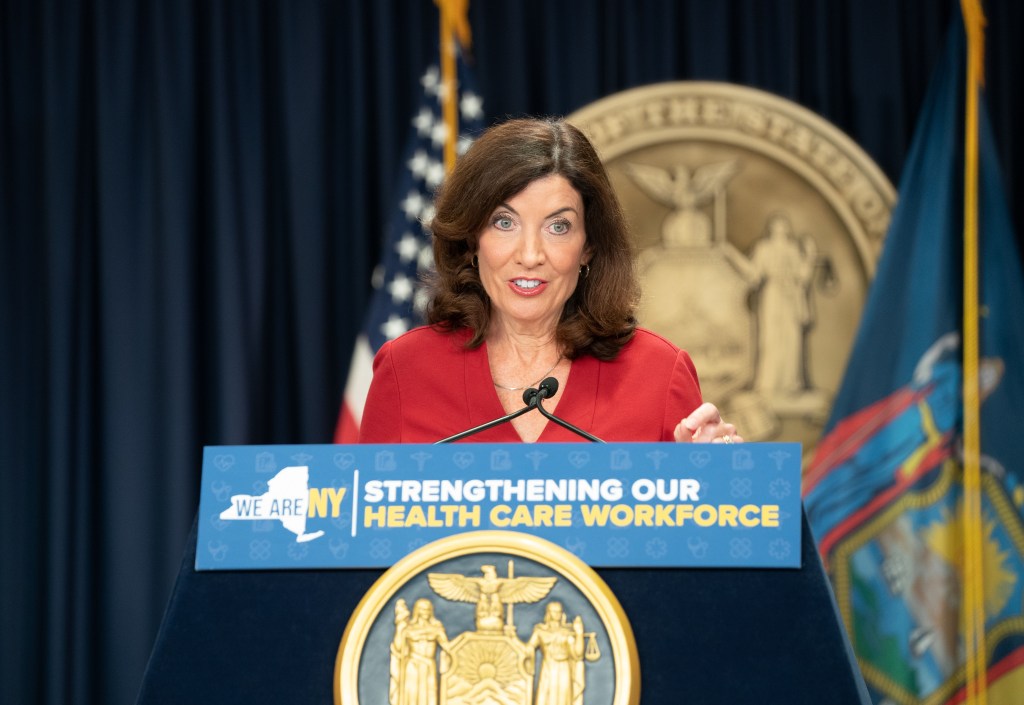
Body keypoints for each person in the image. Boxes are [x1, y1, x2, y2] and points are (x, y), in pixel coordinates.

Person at [359, 117, 742, 444]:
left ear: (588, 246)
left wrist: (718, 477)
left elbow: (704, 522)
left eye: (558, 227)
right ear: (473, 239)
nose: (530, 255)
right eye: (504, 222)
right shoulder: (405, 372)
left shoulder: (657, 374)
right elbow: (368, 523)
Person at [390, 598, 449, 705]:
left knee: (430, 695)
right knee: (412, 696)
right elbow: (398, 648)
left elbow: (448, 647)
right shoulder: (408, 628)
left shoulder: (437, 628)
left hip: (429, 666)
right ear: (417, 610)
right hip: (412, 666)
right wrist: (399, 629)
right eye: (423, 609)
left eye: (428, 609)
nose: (426, 612)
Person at [525, 602, 586, 705]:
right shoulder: (540, 631)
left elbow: (578, 654)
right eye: (554, 611)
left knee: (563, 697)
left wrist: (579, 633)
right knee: (546, 696)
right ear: (549, 613)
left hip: (564, 669)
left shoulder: (567, 632)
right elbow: (527, 649)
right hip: (548, 668)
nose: (557, 613)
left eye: (559, 611)